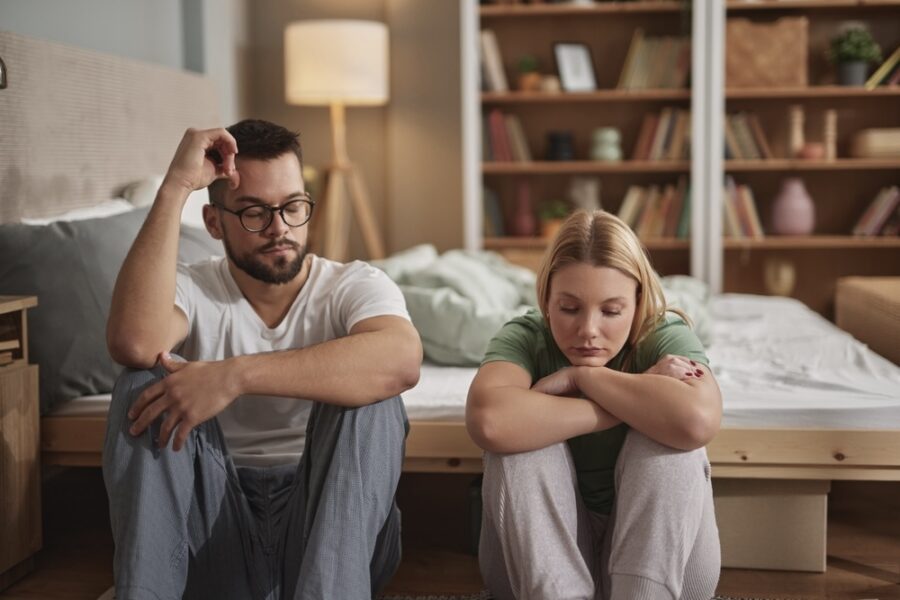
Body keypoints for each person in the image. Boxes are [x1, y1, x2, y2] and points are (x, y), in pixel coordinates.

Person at [104, 119, 422, 600]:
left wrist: (235, 375)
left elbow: (401, 360)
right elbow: (131, 341)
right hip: (214, 531)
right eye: (254, 213)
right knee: (139, 380)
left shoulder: (353, 284)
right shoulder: (192, 287)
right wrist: (175, 187)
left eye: (293, 207)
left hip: (331, 534)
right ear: (214, 223)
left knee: (375, 395)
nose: (280, 229)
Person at [466, 209, 722, 600]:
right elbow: (490, 422)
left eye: (611, 311)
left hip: (665, 569)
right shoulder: (525, 336)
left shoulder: (663, 334)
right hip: (535, 573)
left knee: (672, 444)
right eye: (569, 308)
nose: (588, 330)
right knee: (516, 447)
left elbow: (697, 421)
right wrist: (630, 396)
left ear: (637, 303)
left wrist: (582, 378)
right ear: (546, 300)